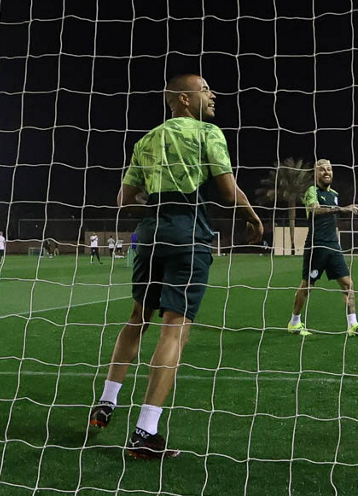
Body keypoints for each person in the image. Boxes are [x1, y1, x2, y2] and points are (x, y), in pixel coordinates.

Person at [89, 73, 263, 459]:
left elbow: (123, 200)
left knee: (138, 317)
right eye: (205, 89)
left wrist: (156, 208)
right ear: (184, 99)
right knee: (175, 328)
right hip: (188, 236)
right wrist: (253, 216)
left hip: (150, 235)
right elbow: (228, 190)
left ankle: (106, 401)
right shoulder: (206, 133)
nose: (213, 95)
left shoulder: (146, 140)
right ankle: (145, 432)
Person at [286, 160, 358, 338]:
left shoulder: (334, 194)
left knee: (348, 284)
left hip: (333, 246)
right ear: (316, 174)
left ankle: (353, 325)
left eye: (329, 169)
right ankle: (294, 322)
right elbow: (315, 210)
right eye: (322, 170)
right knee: (307, 286)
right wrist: (340, 209)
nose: (326, 172)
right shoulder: (312, 191)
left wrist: (339, 209)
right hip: (317, 245)